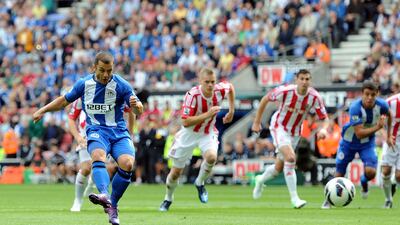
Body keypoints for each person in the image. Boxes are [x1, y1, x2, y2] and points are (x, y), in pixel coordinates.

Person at [33, 52, 143, 225]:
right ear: (94, 67)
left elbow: (136, 110)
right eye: (102, 70)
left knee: (128, 164)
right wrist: (43, 110)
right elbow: (63, 101)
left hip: (119, 133)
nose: (106, 75)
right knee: (97, 157)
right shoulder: (84, 84)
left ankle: (112, 206)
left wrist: (138, 107)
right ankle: (104, 195)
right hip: (96, 130)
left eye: (109, 70)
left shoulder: (122, 85)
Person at [159, 67, 236, 211]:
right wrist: (208, 114)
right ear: (200, 81)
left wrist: (232, 110)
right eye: (207, 82)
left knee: (212, 157)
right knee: (176, 173)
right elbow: (185, 121)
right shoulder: (192, 95)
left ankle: (199, 183)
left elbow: (230, 87)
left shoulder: (219, 90)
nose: (210, 85)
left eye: (213, 82)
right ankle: (168, 198)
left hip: (207, 133)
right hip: (189, 134)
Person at [252, 69, 329, 209]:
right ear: (296, 80)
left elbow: (324, 118)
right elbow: (265, 99)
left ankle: (260, 180)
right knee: (291, 158)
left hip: (295, 132)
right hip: (279, 127)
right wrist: (257, 122)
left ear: (310, 81)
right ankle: (295, 198)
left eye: (307, 79)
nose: (305, 82)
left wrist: (323, 129)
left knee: (278, 168)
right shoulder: (285, 91)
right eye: (302, 79)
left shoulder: (314, 97)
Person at [321, 80, 393, 209]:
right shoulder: (355, 107)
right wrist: (378, 127)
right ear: (362, 94)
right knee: (339, 173)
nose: (369, 98)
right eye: (367, 94)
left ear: (377, 94)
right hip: (348, 142)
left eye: (372, 94)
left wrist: (388, 136)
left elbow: (390, 115)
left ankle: (363, 181)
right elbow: (359, 133)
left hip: (367, 143)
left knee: (371, 172)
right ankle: (328, 200)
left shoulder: (382, 105)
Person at [69, 98, 136, 212]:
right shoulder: (82, 95)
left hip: (105, 136)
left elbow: (131, 110)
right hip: (85, 136)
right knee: (86, 168)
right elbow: (71, 118)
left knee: (100, 166)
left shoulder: (112, 93)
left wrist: (130, 132)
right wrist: (78, 137)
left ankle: (99, 191)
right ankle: (78, 201)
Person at [380, 93, 400, 208]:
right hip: (391, 139)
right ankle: (388, 199)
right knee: (386, 171)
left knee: (399, 176)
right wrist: (386, 136)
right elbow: (379, 122)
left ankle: (393, 182)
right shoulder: (390, 102)